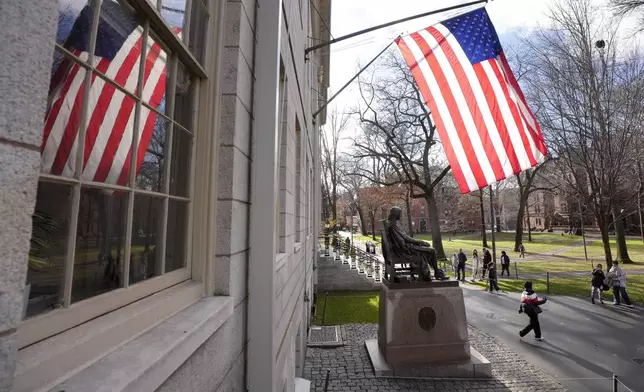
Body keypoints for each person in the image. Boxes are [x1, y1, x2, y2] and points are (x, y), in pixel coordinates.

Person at [385, 206, 447, 281]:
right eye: (399, 213)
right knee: (432, 250)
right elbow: (405, 238)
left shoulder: (392, 224)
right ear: (395, 214)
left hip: (400, 249)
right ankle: (437, 273)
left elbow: (404, 238)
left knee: (426, 249)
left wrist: (418, 242)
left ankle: (435, 272)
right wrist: (420, 242)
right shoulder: (394, 225)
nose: (400, 215)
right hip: (405, 250)